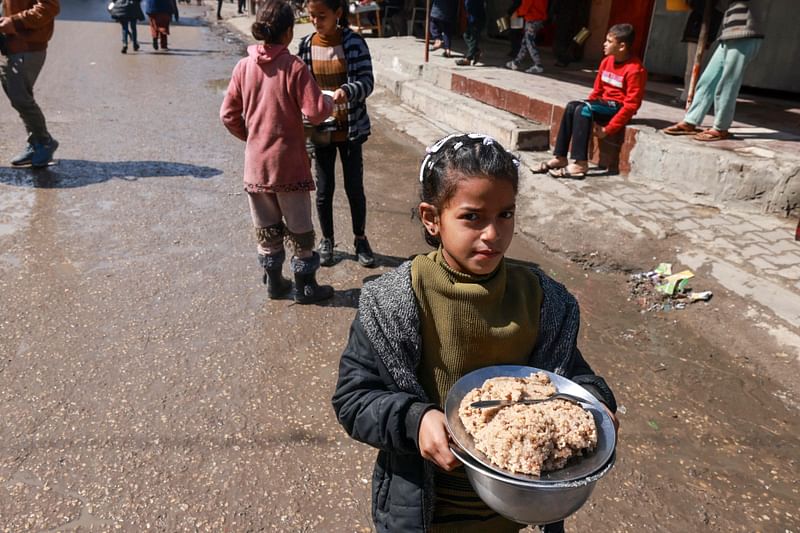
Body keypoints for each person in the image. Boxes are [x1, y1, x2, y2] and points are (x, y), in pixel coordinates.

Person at [331, 132, 618, 533]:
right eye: (472, 217)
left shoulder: (542, 301)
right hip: (427, 510)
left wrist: (598, 406)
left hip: (514, 509)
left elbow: (570, 380)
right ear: (432, 218)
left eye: (506, 214)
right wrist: (415, 420)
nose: (493, 233)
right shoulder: (394, 303)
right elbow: (354, 399)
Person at [220, 0, 336, 304]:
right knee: (301, 232)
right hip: (289, 166)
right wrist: (330, 102)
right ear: (288, 32)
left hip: (256, 167)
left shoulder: (243, 67)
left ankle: (274, 284)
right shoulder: (294, 67)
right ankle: (306, 288)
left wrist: (253, 139)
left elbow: (228, 115)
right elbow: (315, 112)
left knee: (267, 231)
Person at [298, 0, 377, 268]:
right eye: (312, 16)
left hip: (350, 130)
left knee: (355, 188)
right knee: (324, 190)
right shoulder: (306, 46)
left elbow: (367, 81)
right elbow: (301, 94)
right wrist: (305, 137)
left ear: (338, 14)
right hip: (320, 132)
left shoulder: (354, 43)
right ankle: (327, 240)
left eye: (322, 16)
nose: (316, 21)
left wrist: (348, 89)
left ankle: (360, 239)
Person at [535, 23, 647, 178]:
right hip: (602, 105)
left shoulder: (635, 69)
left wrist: (607, 129)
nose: (604, 44)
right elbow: (597, 92)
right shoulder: (606, 62)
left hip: (617, 107)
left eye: (609, 41)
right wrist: (589, 110)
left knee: (584, 109)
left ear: (622, 46)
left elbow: (631, 105)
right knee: (573, 106)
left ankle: (581, 164)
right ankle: (560, 157)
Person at [662, 0, 761, 141]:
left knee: (728, 82)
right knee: (708, 79)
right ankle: (691, 120)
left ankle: (721, 127)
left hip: (745, 34)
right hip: (729, 34)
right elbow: (717, 6)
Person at [0, 0, 60, 168]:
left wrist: (15, 21)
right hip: (10, 44)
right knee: (19, 98)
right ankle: (36, 142)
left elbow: (49, 7)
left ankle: (43, 141)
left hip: (27, 47)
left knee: (21, 98)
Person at [674, 0, 722, 106]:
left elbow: (699, 6)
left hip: (698, 33)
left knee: (692, 69)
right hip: (701, 33)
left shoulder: (710, 5)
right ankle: (690, 96)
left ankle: (688, 96)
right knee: (694, 68)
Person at [505, 0, 547, 74]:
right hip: (539, 18)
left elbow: (525, 6)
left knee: (529, 41)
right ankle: (516, 62)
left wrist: (517, 12)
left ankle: (538, 64)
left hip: (532, 18)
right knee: (525, 40)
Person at [550, 0, 590, 67]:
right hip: (574, 19)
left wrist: (553, 14)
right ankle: (569, 56)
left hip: (567, 18)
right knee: (574, 39)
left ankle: (565, 58)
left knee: (566, 39)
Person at [455, 0, 484, 66]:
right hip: (471, 19)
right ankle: (476, 51)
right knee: (466, 35)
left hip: (477, 19)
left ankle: (468, 59)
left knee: (474, 38)